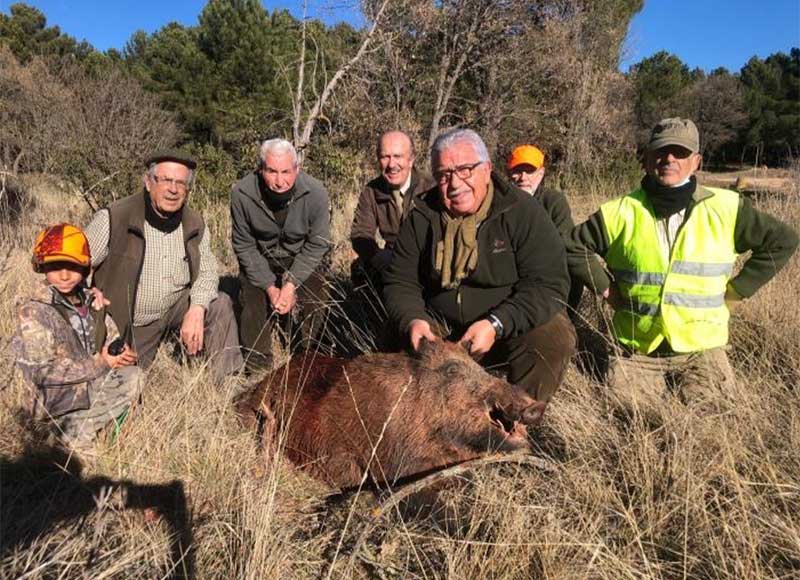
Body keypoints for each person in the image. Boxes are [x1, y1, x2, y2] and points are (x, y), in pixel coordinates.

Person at [567, 118, 799, 410]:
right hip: (637, 349)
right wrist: (606, 289)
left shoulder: (726, 207)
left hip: (702, 349)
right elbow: (573, 246)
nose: (669, 159)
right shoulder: (619, 211)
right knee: (629, 419)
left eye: (680, 152)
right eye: (661, 152)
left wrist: (738, 291)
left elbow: (783, 240)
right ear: (647, 158)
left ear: (697, 161)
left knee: (712, 422)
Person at [384, 128, 576, 420]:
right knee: (392, 333)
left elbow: (547, 285)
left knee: (553, 336)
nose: (454, 183)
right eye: (444, 174)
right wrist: (412, 319)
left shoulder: (523, 211)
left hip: (504, 325)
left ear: (486, 170)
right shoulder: (423, 214)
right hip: (442, 325)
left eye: (464, 170)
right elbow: (401, 280)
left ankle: (512, 420)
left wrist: (497, 323)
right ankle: (427, 423)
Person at [85, 150, 243, 383]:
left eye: (181, 183)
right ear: (148, 182)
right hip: (127, 321)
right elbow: (77, 262)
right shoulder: (114, 217)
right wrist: (87, 291)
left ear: (188, 189)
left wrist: (197, 309)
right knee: (123, 381)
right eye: (166, 180)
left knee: (219, 303)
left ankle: (228, 385)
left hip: (174, 308)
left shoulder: (194, 222)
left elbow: (208, 272)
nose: (173, 189)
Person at [11, 224, 142, 454]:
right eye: (55, 266)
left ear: (84, 267)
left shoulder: (89, 298)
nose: (64, 275)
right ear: (41, 266)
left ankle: (79, 430)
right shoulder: (33, 310)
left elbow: (108, 338)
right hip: (54, 401)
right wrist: (101, 364)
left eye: (72, 266)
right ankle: (66, 435)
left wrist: (120, 353)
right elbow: (44, 373)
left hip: (86, 386)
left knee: (134, 376)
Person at [231, 138, 331, 367]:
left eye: (286, 171)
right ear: (260, 169)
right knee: (251, 297)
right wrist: (269, 287)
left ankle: (309, 358)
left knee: (316, 292)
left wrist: (290, 284)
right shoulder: (241, 194)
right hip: (261, 257)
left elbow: (318, 244)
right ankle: (258, 366)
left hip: (300, 257)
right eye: (271, 171)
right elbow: (244, 245)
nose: (279, 181)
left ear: (298, 169)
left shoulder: (316, 193)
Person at [350, 130, 434, 286]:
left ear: (411, 159)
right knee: (359, 270)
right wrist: (377, 256)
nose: (391, 164)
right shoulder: (371, 191)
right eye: (385, 157)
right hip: (390, 259)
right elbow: (360, 233)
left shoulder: (431, 188)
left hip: (426, 260)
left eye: (398, 156)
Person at [507, 144, 583, 315]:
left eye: (529, 171)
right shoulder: (500, 202)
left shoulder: (554, 201)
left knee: (574, 271)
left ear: (541, 174)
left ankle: (565, 316)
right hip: (511, 272)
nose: (523, 177)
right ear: (508, 173)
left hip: (545, 272)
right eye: (517, 171)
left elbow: (566, 245)